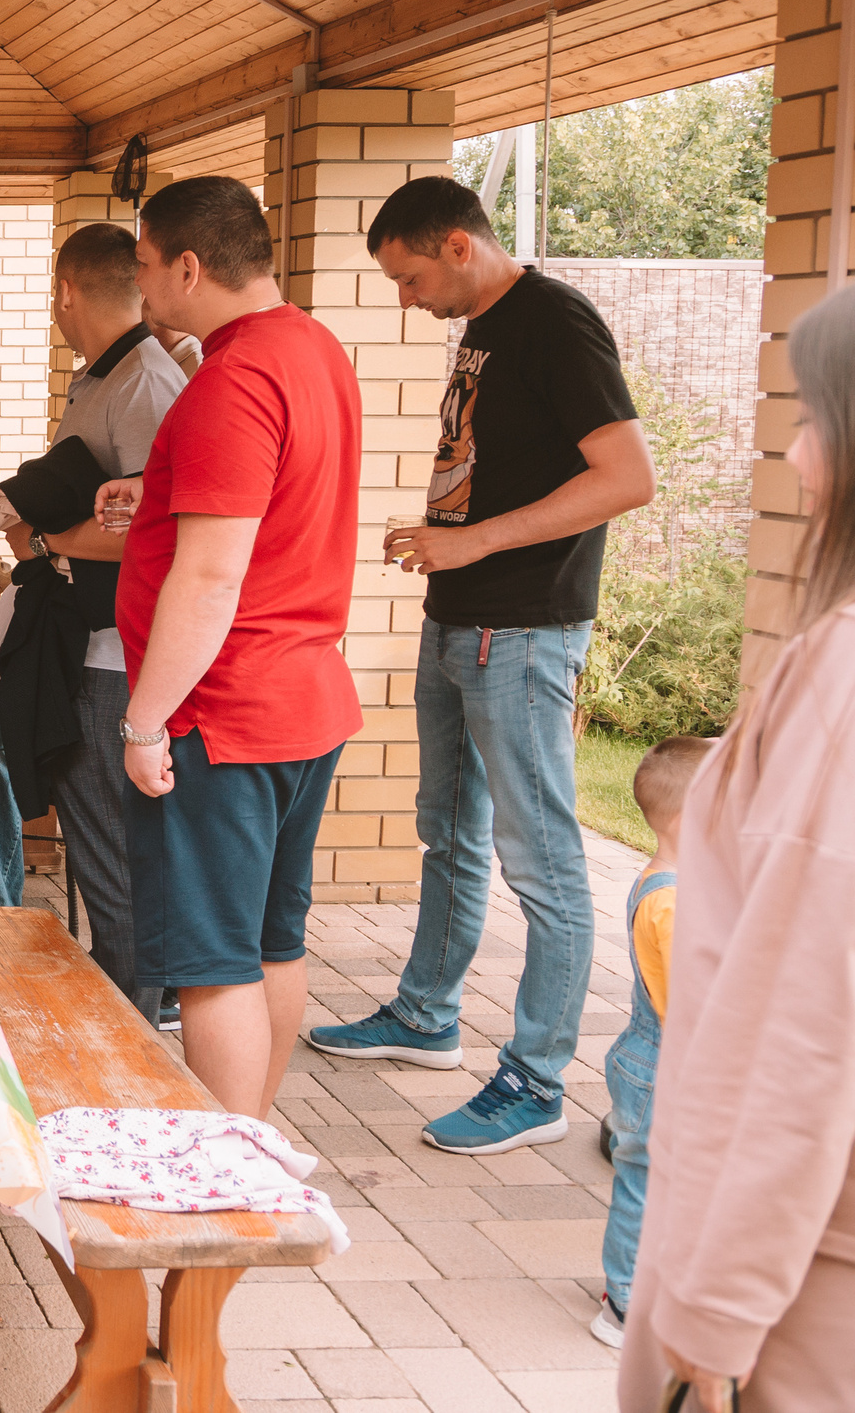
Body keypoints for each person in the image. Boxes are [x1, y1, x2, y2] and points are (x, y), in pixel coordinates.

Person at [307, 176, 653, 1157]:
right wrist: (440, 539)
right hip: (457, 618)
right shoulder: (488, 329)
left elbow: (627, 477)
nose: (405, 301)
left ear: (457, 244)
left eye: (410, 277)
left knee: (540, 861)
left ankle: (537, 1080)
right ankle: (425, 1017)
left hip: (524, 631)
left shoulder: (554, 322)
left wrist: (477, 541)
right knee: (444, 835)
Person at [618, 288, 855, 1413]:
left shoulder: (843, 681)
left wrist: (712, 1318)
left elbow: (803, 1028)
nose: (801, 456)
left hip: (804, 1293)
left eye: (820, 418)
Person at [113, 176, 362, 1121]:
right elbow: (277, 501)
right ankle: (252, 1141)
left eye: (142, 265)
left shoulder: (230, 377)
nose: (138, 286)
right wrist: (154, 496)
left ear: (189, 265)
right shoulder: (314, 348)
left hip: (223, 714)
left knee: (213, 967)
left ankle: (227, 1171)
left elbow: (213, 577)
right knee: (272, 945)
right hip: (304, 697)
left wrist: (145, 723)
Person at [0, 223, 188, 996]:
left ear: (65, 291)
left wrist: (46, 537)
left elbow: (165, 529)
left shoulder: (145, 383)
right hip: (82, 642)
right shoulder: (101, 378)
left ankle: (132, 1043)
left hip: (120, 659)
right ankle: (121, 1011)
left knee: (119, 874)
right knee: (97, 863)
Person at [591, 734, 708, 1351]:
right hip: (663, 1065)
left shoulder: (667, 881)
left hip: (652, 1060)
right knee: (643, 1182)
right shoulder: (672, 902)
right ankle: (624, 1304)